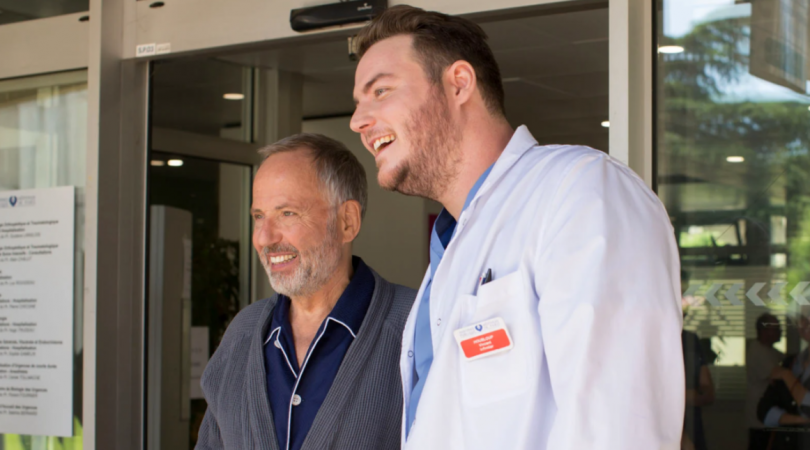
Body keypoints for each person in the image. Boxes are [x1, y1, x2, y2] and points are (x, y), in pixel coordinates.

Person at [350, 5, 685, 449]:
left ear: (459, 83)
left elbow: (617, 428)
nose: (357, 121)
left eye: (381, 92)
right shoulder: (450, 248)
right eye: (358, 103)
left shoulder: (581, 190)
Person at [195, 133, 416, 450]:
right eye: (259, 216)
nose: (265, 238)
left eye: (287, 213)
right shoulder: (243, 334)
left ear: (347, 222)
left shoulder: (417, 326)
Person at [757, 315, 810, 449]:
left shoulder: (786, 370)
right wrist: (801, 420)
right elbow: (764, 411)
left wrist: (787, 376)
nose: (804, 323)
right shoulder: (791, 362)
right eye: (801, 318)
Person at [747, 313, 785, 449]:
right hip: (761, 420)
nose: (780, 331)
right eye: (776, 328)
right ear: (764, 331)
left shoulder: (771, 351)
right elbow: (779, 379)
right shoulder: (757, 351)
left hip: (769, 417)